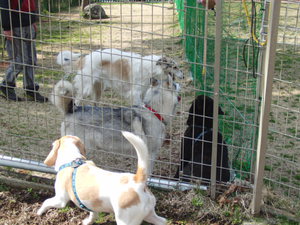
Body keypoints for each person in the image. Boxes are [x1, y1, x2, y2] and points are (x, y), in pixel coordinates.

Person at [0, 0, 48, 102]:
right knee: (19, 60)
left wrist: (33, 21)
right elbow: (4, 5)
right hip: (16, 26)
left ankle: (30, 89)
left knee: (31, 59)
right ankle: (6, 86)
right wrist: (7, 27)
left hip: (28, 24)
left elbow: (30, 3)